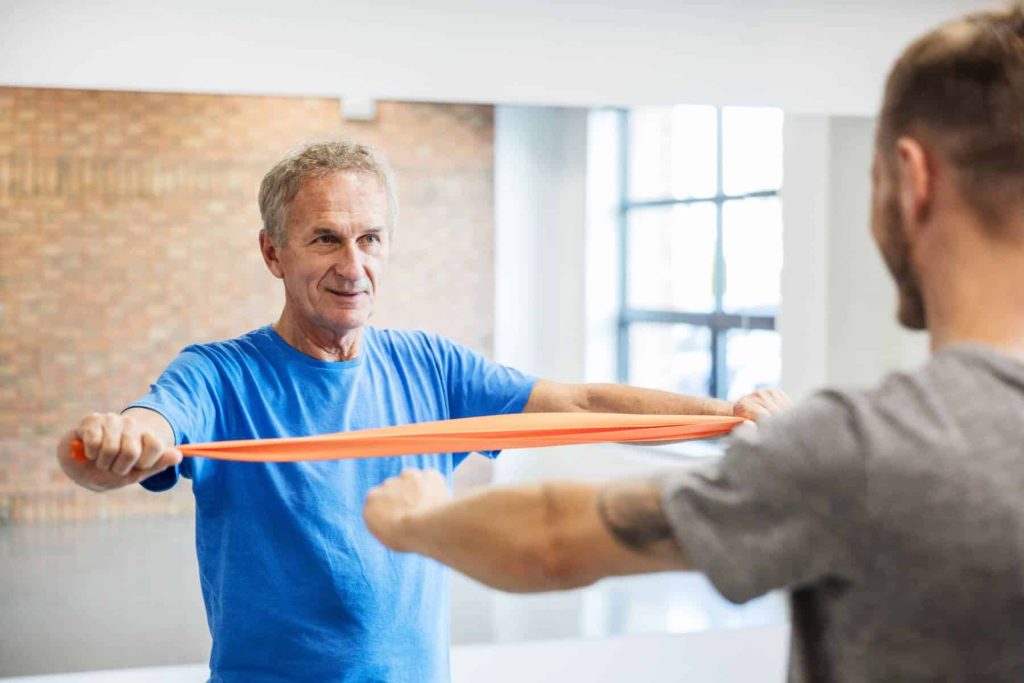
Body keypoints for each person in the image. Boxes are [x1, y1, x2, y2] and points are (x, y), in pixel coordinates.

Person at [364, 5, 1024, 681]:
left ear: (915, 180)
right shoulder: (847, 445)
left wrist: (419, 518)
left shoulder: (864, 447)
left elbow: (552, 541)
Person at [55, 140, 773, 682]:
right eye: (325, 238)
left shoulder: (431, 364)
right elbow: (136, 435)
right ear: (273, 253)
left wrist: (729, 413)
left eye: (370, 238)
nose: (353, 264)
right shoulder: (220, 375)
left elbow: (580, 402)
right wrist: (111, 443)